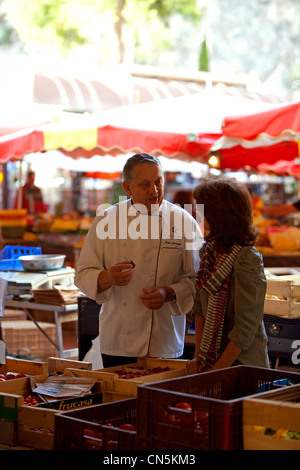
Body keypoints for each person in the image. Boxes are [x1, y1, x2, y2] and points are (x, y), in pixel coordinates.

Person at [75, 153, 202, 368]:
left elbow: (197, 279)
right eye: (145, 185)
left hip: (165, 339)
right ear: (127, 188)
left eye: (158, 182)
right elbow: (82, 274)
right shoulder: (106, 221)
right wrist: (107, 277)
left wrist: (168, 293)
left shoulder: (184, 221)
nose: (154, 190)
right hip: (118, 341)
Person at [186, 176, 269, 375]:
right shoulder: (208, 252)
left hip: (243, 369)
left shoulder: (246, 258)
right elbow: (199, 308)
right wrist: (199, 357)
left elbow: (245, 329)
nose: (197, 212)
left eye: (202, 208)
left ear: (218, 214)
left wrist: (215, 373)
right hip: (213, 364)